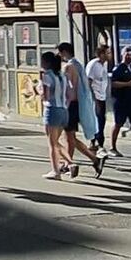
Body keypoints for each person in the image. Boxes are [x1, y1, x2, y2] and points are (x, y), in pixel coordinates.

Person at [59, 42, 102, 177]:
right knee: (69, 136)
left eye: (60, 53)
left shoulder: (69, 67)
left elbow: (70, 89)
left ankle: (69, 164)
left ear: (64, 52)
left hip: (71, 105)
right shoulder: (78, 64)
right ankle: (91, 160)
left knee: (67, 137)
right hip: (77, 104)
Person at [39, 49, 71, 179]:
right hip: (64, 110)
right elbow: (69, 94)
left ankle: (56, 170)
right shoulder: (62, 76)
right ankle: (69, 162)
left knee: (52, 143)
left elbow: (45, 96)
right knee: (57, 141)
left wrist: (38, 92)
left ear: (46, 63)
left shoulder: (47, 76)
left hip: (52, 109)